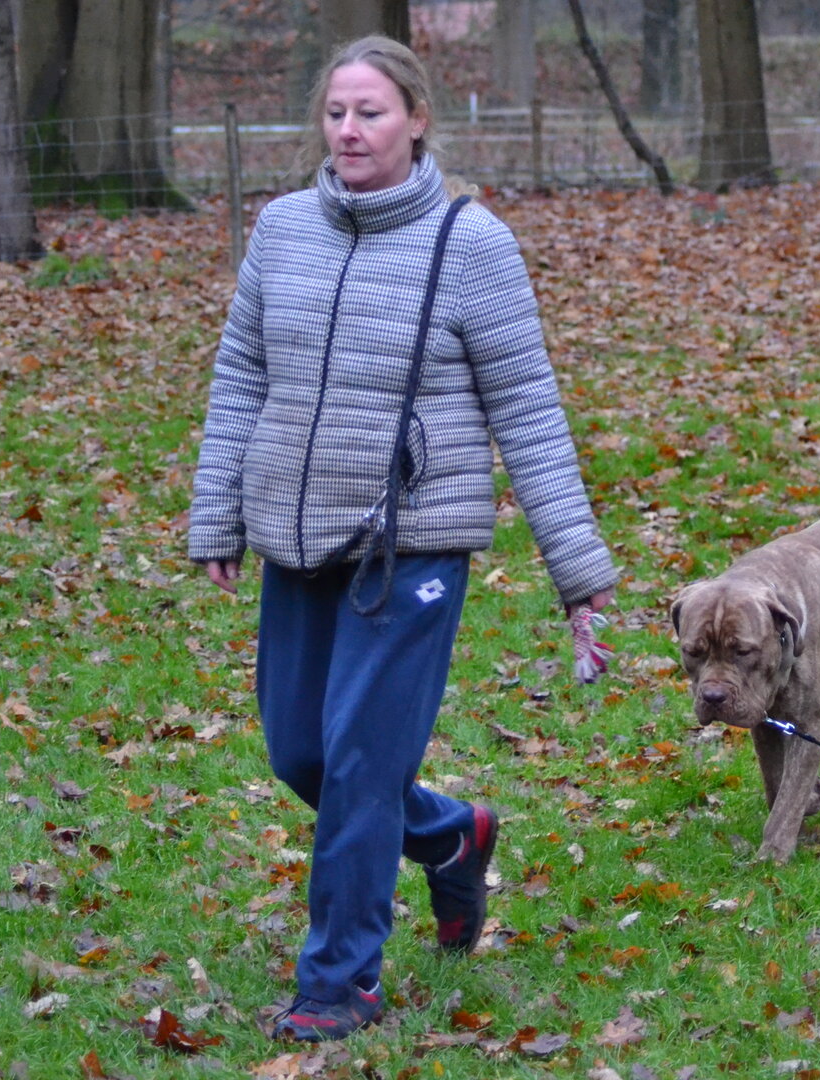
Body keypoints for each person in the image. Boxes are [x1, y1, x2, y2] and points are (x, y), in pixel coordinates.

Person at [189, 35, 616, 1043]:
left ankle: (340, 983)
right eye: (336, 112)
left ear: (417, 120)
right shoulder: (282, 228)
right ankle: (453, 835)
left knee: (359, 763)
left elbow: (529, 410)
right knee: (302, 753)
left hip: (410, 546)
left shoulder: (473, 244)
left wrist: (576, 569)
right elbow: (241, 374)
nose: (348, 131)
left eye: (370, 112)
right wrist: (217, 513)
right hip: (298, 538)